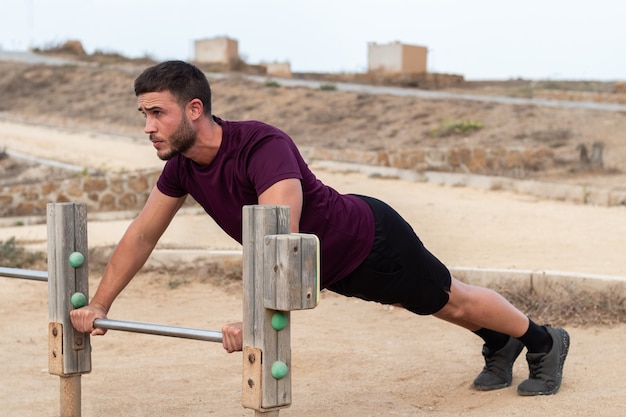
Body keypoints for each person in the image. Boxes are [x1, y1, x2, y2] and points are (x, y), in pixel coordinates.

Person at [70, 60, 569, 396]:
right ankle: (501, 342)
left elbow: (279, 235)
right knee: (426, 303)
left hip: (370, 240)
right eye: (144, 114)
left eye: (157, 113)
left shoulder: (262, 145)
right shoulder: (182, 166)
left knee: (449, 298)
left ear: (194, 110)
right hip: (328, 268)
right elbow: (142, 234)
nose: (147, 126)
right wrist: (100, 303)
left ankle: (544, 340)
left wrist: (255, 317)